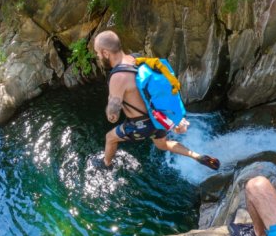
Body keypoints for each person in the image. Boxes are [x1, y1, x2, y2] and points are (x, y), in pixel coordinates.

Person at [92, 30, 220, 170]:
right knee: (162, 144)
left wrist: (111, 110)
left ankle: (106, 165)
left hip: (140, 125)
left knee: (110, 138)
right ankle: (197, 156)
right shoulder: (137, 59)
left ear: (105, 53)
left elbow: (113, 115)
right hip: (157, 118)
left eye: (98, 53)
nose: (98, 56)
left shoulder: (118, 77)